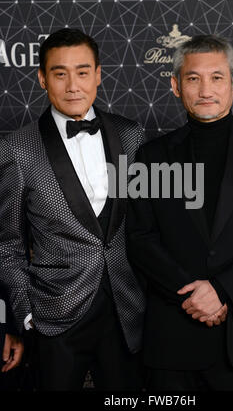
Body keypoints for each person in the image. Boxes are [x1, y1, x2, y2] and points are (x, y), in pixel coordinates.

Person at [126, 35, 233, 391]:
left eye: (217, 77)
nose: (206, 88)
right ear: (175, 86)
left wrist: (224, 291)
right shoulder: (152, 157)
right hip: (174, 341)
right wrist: (193, 295)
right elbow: (140, 237)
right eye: (193, 78)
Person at [0, 28, 145, 391]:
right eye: (59, 73)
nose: (73, 85)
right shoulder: (17, 148)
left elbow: (149, 226)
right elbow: (7, 244)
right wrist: (27, 315)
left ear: (98, 75)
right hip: (56, 315)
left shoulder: (132, 135)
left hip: (126, 311)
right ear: (42, 78)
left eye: (82, 72)